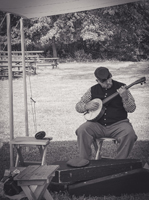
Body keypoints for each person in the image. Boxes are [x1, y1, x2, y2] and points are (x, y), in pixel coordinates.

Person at [75, 67, 137, 160]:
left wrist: (125, 98)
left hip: (119, 124)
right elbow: (78, 106)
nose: (108, 83)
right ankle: (84, 161)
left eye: (109, 79)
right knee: (82, 130)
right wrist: (86, 106)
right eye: (103, 82)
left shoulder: (123, 88)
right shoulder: (92, 90)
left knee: (129, 134)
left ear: (111, 76)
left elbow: (131, 109)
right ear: (97, 81)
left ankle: (119, 163)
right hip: (97, 124)